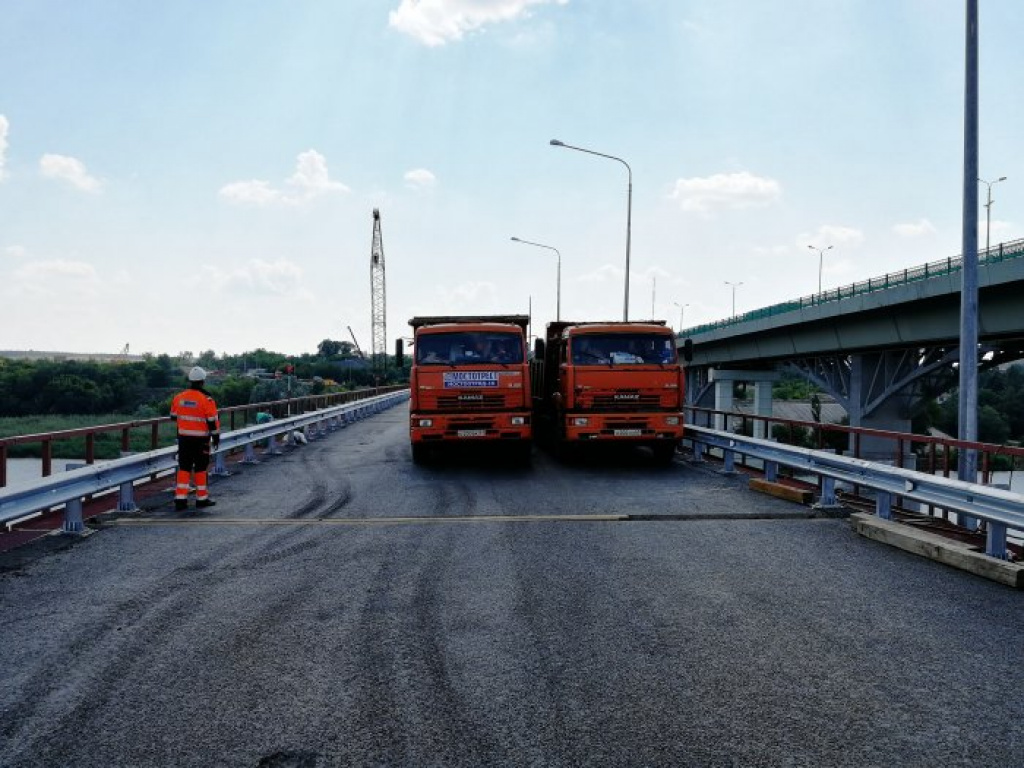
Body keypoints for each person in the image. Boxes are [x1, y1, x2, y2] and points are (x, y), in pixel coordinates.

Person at [169, 366, 221, 511]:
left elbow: (173, 417)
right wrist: (216, 437)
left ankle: (180, 499)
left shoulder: (179, 397)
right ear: (202, 382)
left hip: (184, 439)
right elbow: (212, 421)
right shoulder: (207, 399)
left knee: (184, 467)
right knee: (200, 468)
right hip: (201, 441)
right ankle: (201, 499)